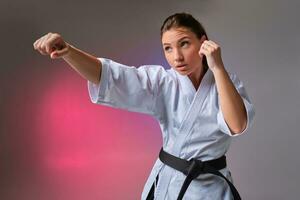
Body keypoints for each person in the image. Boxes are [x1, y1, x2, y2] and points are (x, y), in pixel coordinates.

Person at [33, 12, 254, 200]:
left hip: (211, 189)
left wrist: (217, 68)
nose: (176, 56)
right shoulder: (163, 82)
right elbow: (112, 76)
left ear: (203, 42)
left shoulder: (226, 82)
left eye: (184, 44)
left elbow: (236, 125)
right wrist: (69, 51)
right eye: (168, 48)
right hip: (169, 184)